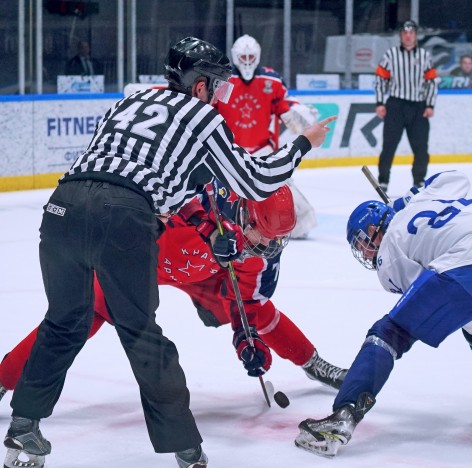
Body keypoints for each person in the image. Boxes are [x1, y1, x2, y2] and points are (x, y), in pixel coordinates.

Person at [3, 36, 334, 468]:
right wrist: (303, 143)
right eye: (217, 86)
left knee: (63, 323)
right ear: (200, 86)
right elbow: (256, 181)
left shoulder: (131, 102)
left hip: (63, 208)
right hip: (122, 222)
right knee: (143, 337)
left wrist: (199, 222)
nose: (220, 96)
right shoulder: (202, 118)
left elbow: (142, 172)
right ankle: (186, 449)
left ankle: (23, 428)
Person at [293, 170, 472, 458]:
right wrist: (411, 197)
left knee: (387, 333)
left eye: (361, 242)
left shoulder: (388, 254)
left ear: (373, 231)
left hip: (471, 263)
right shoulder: (426, 197)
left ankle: (342, 418)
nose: (364, 251)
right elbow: (457, 177)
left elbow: (443, 298)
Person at [0, 185, 346, 404]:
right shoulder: (198, 195)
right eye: (265, 236)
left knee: (257, 310)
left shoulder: (256, 250)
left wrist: (247, 342)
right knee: (80, 316)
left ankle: (313, 363)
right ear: (243, 216)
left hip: (205, 273)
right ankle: (3, 379)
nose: (269, 248)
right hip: (141, 264)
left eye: (277, 240)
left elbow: (246, 303)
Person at [215, 34, 319, 239]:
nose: (247, 62)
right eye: (242, 57)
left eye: (250, 57)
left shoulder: (271, 80)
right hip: (230, 152)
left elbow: (285, 104)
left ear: (258, 56)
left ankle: (283, 222)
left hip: (264, 152)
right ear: (235, 57)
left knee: (300, 220)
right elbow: (208, 108)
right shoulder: (223, 81)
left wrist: (298, 112)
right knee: (223, 205)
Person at [374, 19, 438, 192]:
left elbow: (431, 82)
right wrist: (380, 102)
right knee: (389, 145)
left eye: (411, 33)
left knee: (421, 148)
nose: (408, 36)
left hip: (418, 106)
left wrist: (430, 104)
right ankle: (383, 180)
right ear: (401, 36)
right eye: (405, 33)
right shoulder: (390, 55)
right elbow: (381, 79)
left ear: (416, 35)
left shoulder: (424, 56)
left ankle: (419, 181)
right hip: (396, 105)